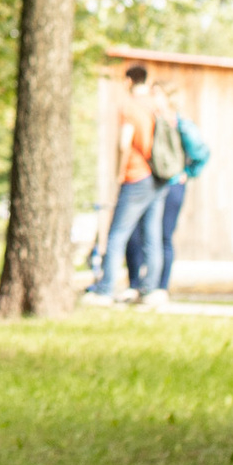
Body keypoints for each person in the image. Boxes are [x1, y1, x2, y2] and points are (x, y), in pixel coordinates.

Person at [86, 63, 161, 300]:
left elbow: (123, 143)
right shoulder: (156, 105)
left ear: (128, 81)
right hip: (158, 177)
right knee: (152, 235)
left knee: (117, 234)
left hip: (136, 175)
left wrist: (119, 173)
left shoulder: (130, 107)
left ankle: (106, 288)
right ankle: (149, 290)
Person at [139, 103, 209, 305]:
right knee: (144, 235)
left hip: (172, 184)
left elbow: (202, 153)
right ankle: (142, 285)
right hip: (153, 184)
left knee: (164, 235)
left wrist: (187, 174)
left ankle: (161, 287)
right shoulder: (154, 120)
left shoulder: (182, 126)